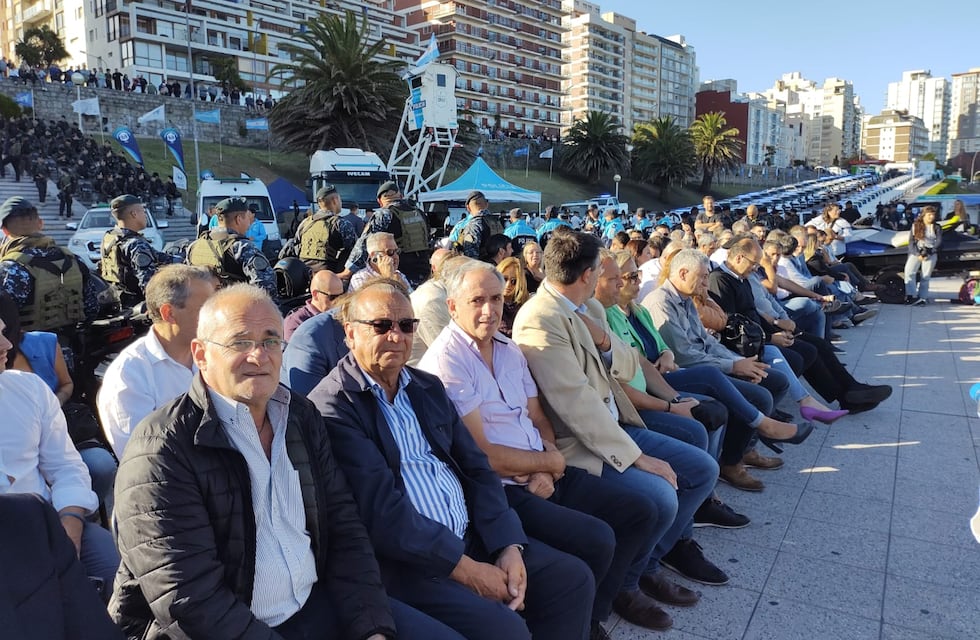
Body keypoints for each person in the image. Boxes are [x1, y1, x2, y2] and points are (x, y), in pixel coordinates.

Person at [110, 283, 456, 640]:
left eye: (271, 341)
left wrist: (372, 629)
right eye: (240, 342)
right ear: (201, 355)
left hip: (317, 606)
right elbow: (189, 599)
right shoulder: (161, 450)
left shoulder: (300, 416)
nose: (259, 357)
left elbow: (344, 529)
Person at [308, 279, 596, 640]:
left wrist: (506, 544)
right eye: (382, 325)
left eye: (406, 325)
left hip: (470, 536)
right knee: (506, 630)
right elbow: (382, 511)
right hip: (415, 562)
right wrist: (469, 571)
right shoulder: (333, 407)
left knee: (571, 580)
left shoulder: (425, 386)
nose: (396, 336)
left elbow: (476, 467)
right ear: (350, 333)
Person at [418, 261, 663, 638]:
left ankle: (594, 613)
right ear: (452, 307)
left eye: (497, 298)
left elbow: (536, 415)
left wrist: (548, 463)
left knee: (639, 510)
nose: (489, 309)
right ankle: (575, 618)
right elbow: (483, 454)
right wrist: (548, 461)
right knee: (596, 539)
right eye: (477, 300)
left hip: (543, 470)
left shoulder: (507, 349)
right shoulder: (446, 361)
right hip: (505, 488)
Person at [511, 231, 727, 625]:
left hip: (615, 423)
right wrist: (638, 458)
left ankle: (647, 563)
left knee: (701, 469)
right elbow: (574, 405)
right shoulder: (539, 320)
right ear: (588, 273)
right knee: (660, 497)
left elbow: (628, 360)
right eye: (601, 272)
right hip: (582, 445)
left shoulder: (586, 307)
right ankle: (627, 586)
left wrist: (606, 344)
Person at [603, 251, 790, 498]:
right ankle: (713, 480)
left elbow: (672, 348)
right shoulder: (638, 308)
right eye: (630, 276)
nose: (638, 280)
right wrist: (733, 366)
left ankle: (734, 457)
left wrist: (735, 362)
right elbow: (681, 356)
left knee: (768, 382)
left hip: (667, 374)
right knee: (715, 395)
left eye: (636, 275)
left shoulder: (640, 311)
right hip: (659, 382)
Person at [642, 249, 813, 452]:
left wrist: (740, 362)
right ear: (682, 273)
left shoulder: (687, 299)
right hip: (684, 371)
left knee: (776, 380)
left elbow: (707, 341)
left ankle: (745, 444)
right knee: (760, 396)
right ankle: (735, 457)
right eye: (703, 277)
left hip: (705, 362)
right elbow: (684, 355)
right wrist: (733, 366)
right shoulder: (661, 303)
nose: (706, 283)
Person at [0, 315, 120, 595]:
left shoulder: (29, 388)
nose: (7, 344)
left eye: (4, 332)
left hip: (48, 523)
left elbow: (66, 466)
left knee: (115, 571)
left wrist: (71, 521)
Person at [97, 265, 215, 458]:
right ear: (169, 313)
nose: (216, 318)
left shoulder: (213, 356)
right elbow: (143, 457)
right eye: (205, 310)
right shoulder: (130, 374)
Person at [0, 494, 125, 640]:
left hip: (51, 524)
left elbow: (94, 628)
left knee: (113, 571)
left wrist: (69, 528)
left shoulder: (30, 515)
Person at [0, 196, 97, 332]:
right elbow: (92, 308)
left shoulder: (11, 268)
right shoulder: (73, 259)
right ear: (40, 223)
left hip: (26, 350)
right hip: (72, 347)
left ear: (4, 230)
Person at [186, 196, 277, 298]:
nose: (249, 222)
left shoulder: (195, 246)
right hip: (233, 310)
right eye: (247, 217)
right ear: (238, 219)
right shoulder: (242, 247)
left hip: (202, 310)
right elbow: (266, 287)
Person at [346, 181, 431, 287]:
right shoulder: (419, 213)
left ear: (380, 202)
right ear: (401, 196)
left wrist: (348, 271)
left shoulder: (384, 214)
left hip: (400, 275)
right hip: (424, 273)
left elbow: (364, 244)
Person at [100, 194, 173, 305]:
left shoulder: (110, 238)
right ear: (134, 214)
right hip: (136, 306)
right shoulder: (135, 244)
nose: (145, 216)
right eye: (143, 211)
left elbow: (156, 256)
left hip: (116, 299)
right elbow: (148, 284)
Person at [294, 184, 357, 275]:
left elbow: (296, 246)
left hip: (304, 275)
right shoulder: (341, 224)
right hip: (330, 277)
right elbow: (356, 251)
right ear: (335, 200)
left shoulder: (305, 223)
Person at [283, 269, 344, 341]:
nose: (338, 301)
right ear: (315, 294)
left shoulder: (342, 317)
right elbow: (293, 351)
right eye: (333, 297)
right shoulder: (296, 322)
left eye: (342, 296)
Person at [348, 232, 413, 292]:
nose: (395, 256)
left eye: (397, 251)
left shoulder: (399, 275)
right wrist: (388, 278)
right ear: (374, 255)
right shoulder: (360, 278)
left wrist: (401, 283)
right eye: (390, 252)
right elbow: (379, 302)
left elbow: (412, 300)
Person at [905, 205, 942, 305]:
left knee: (925, 276)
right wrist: (917, 254)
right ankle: (911, 295)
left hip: (930, 252)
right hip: (917, 251)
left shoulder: (936, 227)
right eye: (929, 215)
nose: (931, 217)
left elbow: (938, 241)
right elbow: (911, 242)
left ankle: (923, 297)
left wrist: (930, 252)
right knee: (909, 273)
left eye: (933, 215)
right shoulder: (916, 225)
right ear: (924, 215)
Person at [457, 191, 505, 262]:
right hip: (499, 266)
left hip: (482, 267)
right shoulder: (496, 221)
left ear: (468, 208)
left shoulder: (474, 225)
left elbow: (471, 254)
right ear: (487, 204)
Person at [496, 256, 530, 337]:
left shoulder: (525, 304)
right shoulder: (492, 302)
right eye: (504, 279)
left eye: (514, 281)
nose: (508, 285)